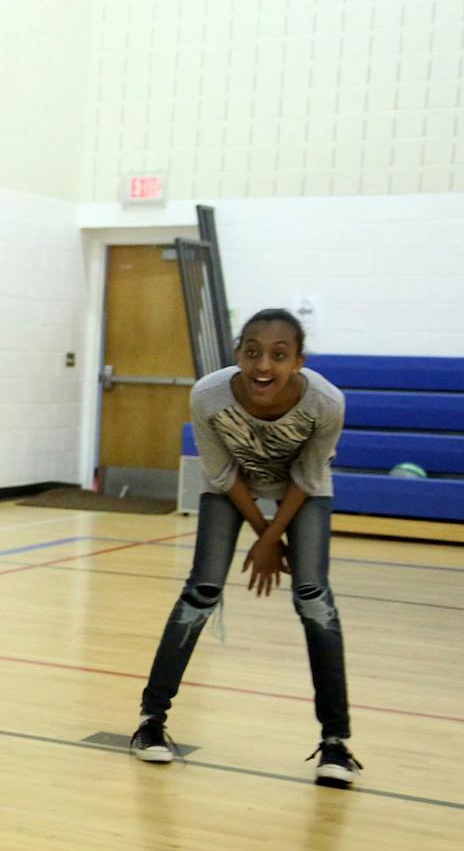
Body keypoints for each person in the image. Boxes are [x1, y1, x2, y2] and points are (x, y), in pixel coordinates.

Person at [128, 309, 361, 787]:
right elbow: (220, 475)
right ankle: (151, 723)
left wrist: (274, 537)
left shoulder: (326, 403)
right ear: (237, 354)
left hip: (302, 490)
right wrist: (263, 535)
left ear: (298, 361)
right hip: (232, 487)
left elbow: (307, 478)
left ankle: (335, 743)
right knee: (201, 593)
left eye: (279, 355)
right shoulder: (209, 396)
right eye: (252, 352)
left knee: (314, 599)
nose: (263, 365)